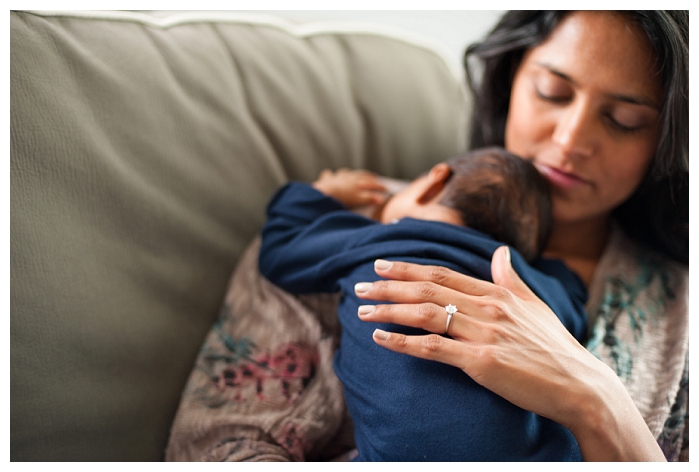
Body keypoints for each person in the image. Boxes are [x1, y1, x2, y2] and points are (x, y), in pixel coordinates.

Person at [350, 11, 688, 462]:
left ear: (670, 136)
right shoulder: (358, 229)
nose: (569, 141)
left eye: (624, 120)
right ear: (510, 80)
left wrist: (599, 402)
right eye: (553, 92)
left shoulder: (682, 310)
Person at [258, 147, 589, 461]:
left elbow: (281, 248)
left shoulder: (376, 240)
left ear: (433, 182)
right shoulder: (520, 281)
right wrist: (548, 267)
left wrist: (323, 192)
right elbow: (574, 309)